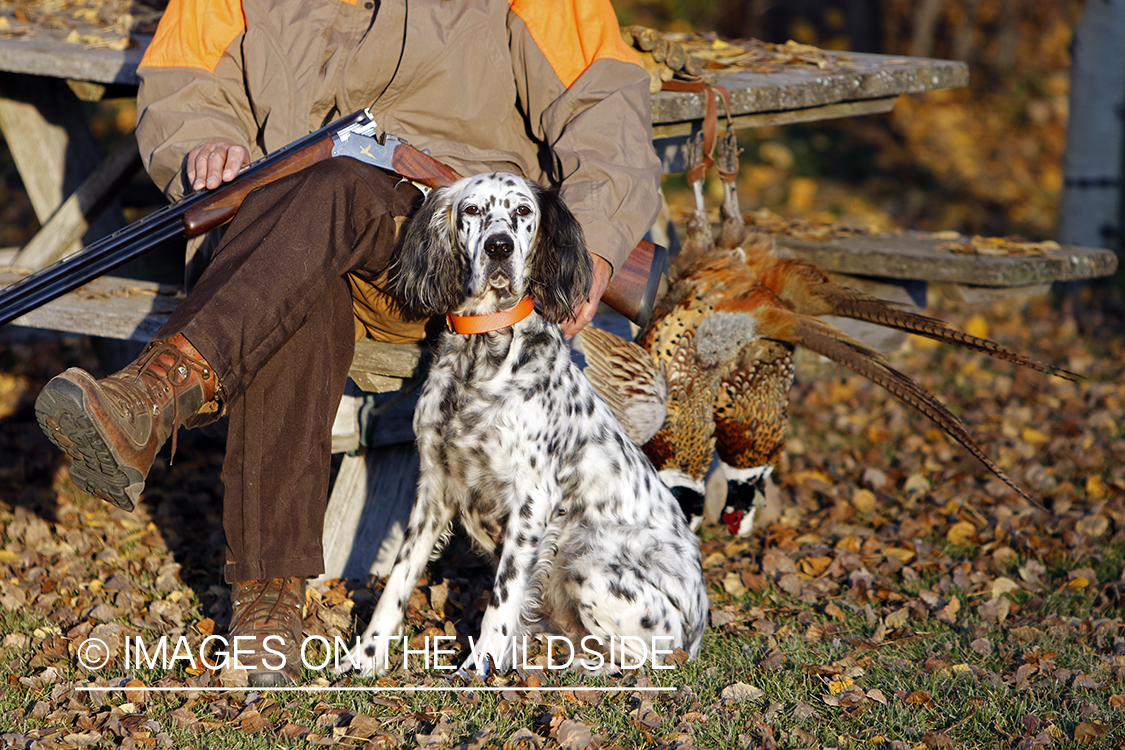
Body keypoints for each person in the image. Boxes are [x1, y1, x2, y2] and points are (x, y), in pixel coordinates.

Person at [33, 0, 663, 687]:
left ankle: (153, 395)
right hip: (283, 245)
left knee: (331, 191)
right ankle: (267, 603)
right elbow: (184, 85)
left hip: (456, 259)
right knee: (297, 273)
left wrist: (594, 249)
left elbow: (603, 109)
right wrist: (203, 144)